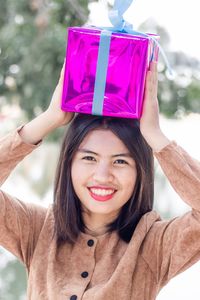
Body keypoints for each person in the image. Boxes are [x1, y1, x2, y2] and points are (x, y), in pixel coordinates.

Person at [0, 61, 200, 300]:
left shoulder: (155, 245)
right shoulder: (36, 230)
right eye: (89, 158)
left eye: (120, 161)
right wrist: (50, 118)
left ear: (140, 172)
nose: (103, 176)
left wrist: (154, 136)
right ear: (69, 164)